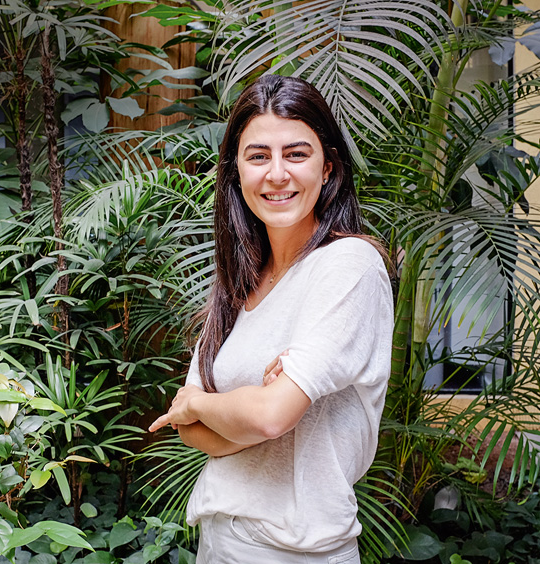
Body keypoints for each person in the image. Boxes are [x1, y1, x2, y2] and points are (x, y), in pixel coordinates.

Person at [148, 74, 394, 564]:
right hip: (219, 540)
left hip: (297, 552)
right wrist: (230, 410)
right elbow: (195, 435)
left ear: (328, 168)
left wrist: (198, 401)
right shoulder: (239, 284)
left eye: (296, 154)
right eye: (258, 156)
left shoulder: (349, 265)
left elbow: (269, 417)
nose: (277, 173)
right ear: (236, 171)